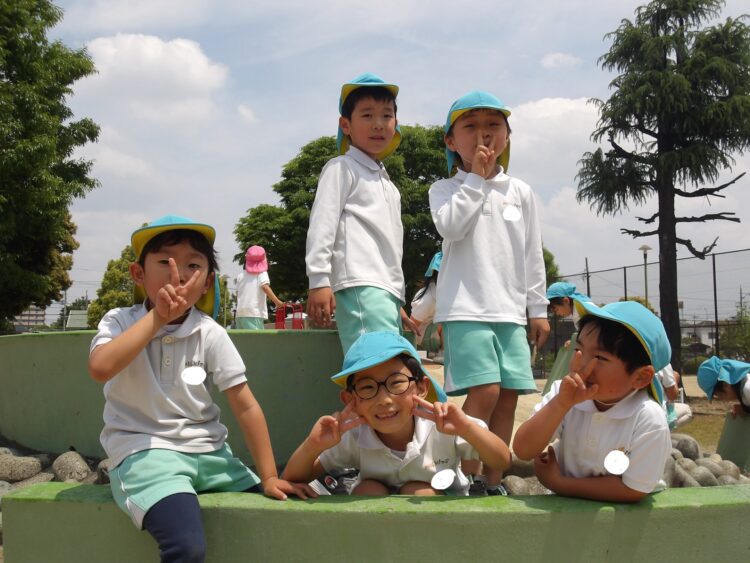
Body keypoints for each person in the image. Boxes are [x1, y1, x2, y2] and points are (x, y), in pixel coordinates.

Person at [88, 215, 309, 563]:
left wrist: (268, 476)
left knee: (283, 517)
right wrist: (157, 318)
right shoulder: (119, 320)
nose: (177, 273)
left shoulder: (210, 332)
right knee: (186, 547)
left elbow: (245, 405)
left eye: (192, 265)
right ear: (138, 274)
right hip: (144, 454)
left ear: (206, 284)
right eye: (165, 262)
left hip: (211, 454)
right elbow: (100, 368)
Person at [429, 90, 550, 494]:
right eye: (470, 126)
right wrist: (476, 181)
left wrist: (538, 309)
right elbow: (452, 227)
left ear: (507, 136)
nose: (483, 134)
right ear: (451, 141)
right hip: (466, 309)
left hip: (511, 313)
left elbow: (532, 255)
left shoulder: (521, 192)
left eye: (494, 125)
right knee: (485, 391)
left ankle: (491, 480)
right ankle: (465, 476)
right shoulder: (445, 190)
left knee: (508, 397)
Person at [282, 331, 510, 495]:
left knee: (419, 492)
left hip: (441, 517)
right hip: (380, 523)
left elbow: (502, 460)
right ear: (351, 400)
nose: (384, 399)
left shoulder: (443, 424)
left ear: (421, 387)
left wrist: (467, 429)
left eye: (397, 382)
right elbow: (293, 478)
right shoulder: (354, 434)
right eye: (367, 388)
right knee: (367, 489)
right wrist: (313, 445)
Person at [513, 301, 672, 503]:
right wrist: (560, 404)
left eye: (600, 357)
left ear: (640, 377)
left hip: (623, 519)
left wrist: (560, 484)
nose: (581, 364)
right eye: (578, 350)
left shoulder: (648, 418)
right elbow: (524, 450)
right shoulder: (564, 395)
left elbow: (632, 489)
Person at [305, 72, 417, 353]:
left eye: (387, 115)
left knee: (387, 368)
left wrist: (395, 298)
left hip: (384, 291)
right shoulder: (341, 167)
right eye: (367, 115)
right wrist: (319, 281)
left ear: (396, 123)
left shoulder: (389, 185)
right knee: (378, 366)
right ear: (346, 125)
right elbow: (322, 225)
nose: (378, 124)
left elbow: (389, 246)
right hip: (360, 283)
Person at [543, 282, 593, 394]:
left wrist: (576, 340)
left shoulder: (581, 309)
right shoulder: (579, 307)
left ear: (566, 301)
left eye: (556, 309)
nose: (557, 313)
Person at [235, 245, 284, 329]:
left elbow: (238, 293)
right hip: (254, 313)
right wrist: (277, 302)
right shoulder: (262, 274)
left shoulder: (241, 275)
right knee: (256, 337)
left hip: (240, 314)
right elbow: (265, 287)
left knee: (243, 337)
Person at [410, 251, 443, 353]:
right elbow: (410, 327)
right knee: (449, 322)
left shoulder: (444, 294)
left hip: (433, 334)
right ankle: (444, 353)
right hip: (421, 340)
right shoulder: (428, 299)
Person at [655, 363, 693, 428]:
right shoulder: (663, 363)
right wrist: (674, 378)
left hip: (638, 412)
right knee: (688, 411)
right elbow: (672, 396)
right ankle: (666, 429)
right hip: (658, 414)